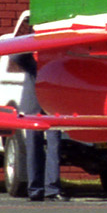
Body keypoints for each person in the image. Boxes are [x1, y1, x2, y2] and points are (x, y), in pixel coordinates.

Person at [15, 49, 63, 202]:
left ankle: (52, 189)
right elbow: (16, 55)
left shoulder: (57, 60)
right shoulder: (29, 61)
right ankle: (35, 189)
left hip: (52, 104)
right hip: (34, 106)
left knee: (54, 146)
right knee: (33, 146)